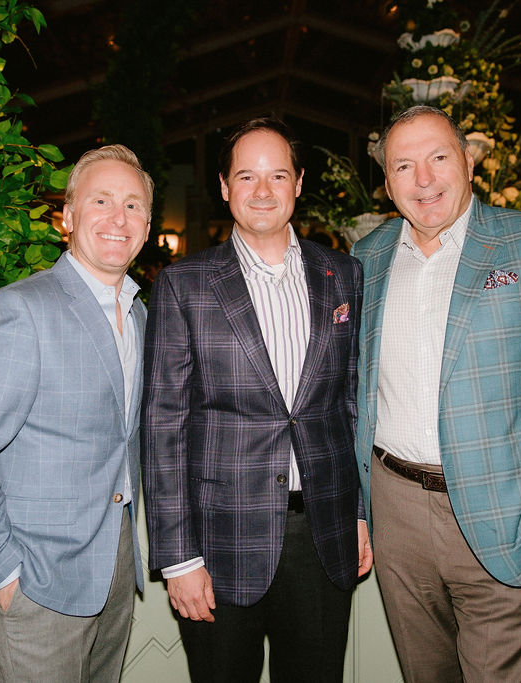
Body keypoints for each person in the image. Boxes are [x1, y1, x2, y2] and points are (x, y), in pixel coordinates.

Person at [352, 105, 521, 683]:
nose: (424, 180)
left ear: (468, 161)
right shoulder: (365, 260)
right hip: (396, 515)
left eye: (439, 158)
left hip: (513, 510)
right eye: (404, 166)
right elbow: (354, 392)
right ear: (387, 180)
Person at [141, 117, 371, 683]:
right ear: (224, 187)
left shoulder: (343, 274)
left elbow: (351, 404)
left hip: (323, 534)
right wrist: (179, 557)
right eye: (247, 176)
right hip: (220, 538)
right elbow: (163, 426)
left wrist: (361, 512)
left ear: (298, 183)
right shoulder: (185, 283)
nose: (262, 191)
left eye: (277, 175)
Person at [0, 144, 153, 682]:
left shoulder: (139, 312)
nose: (118, 218)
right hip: (34, 584)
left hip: (113, 569)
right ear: (68, 218)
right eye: (101, 200)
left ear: (146, 224)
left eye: (133, 205)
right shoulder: (21, 310)